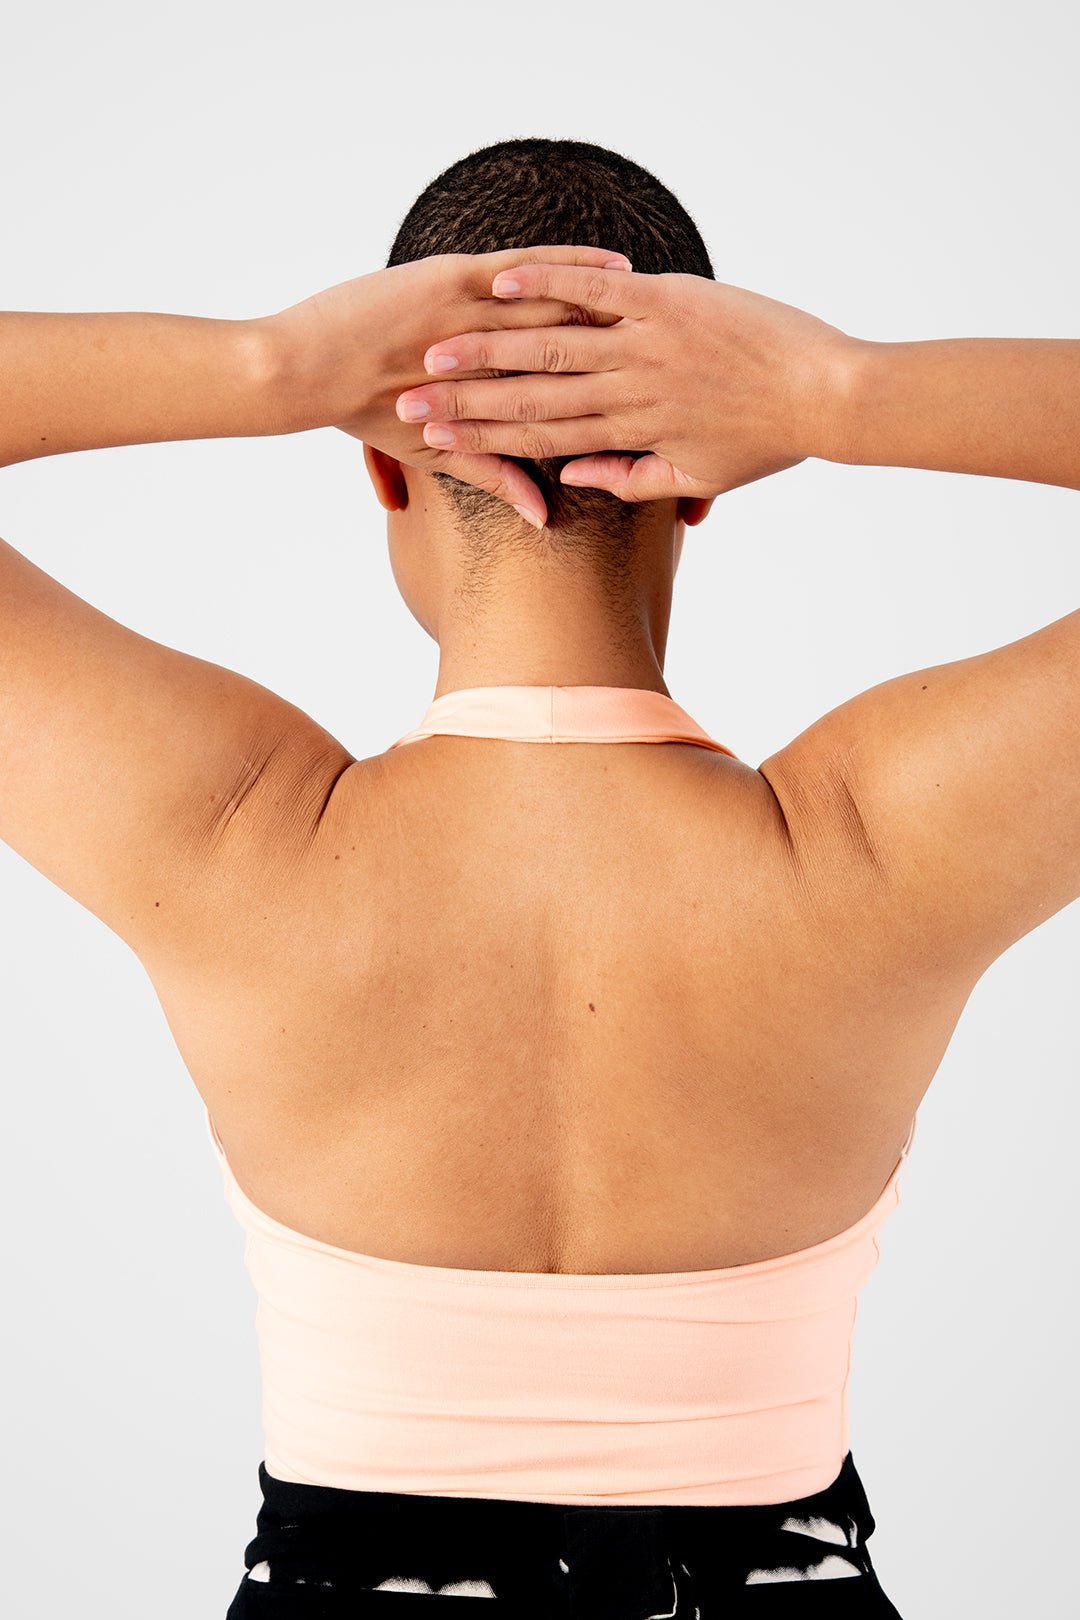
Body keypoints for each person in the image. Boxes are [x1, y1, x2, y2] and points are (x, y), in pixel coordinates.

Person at [2, 135, 1076, 1616]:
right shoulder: (874, 853)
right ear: (702, 489)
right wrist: (838, 391)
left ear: (382, 463)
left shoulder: (236, 840)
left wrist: (273, 367)